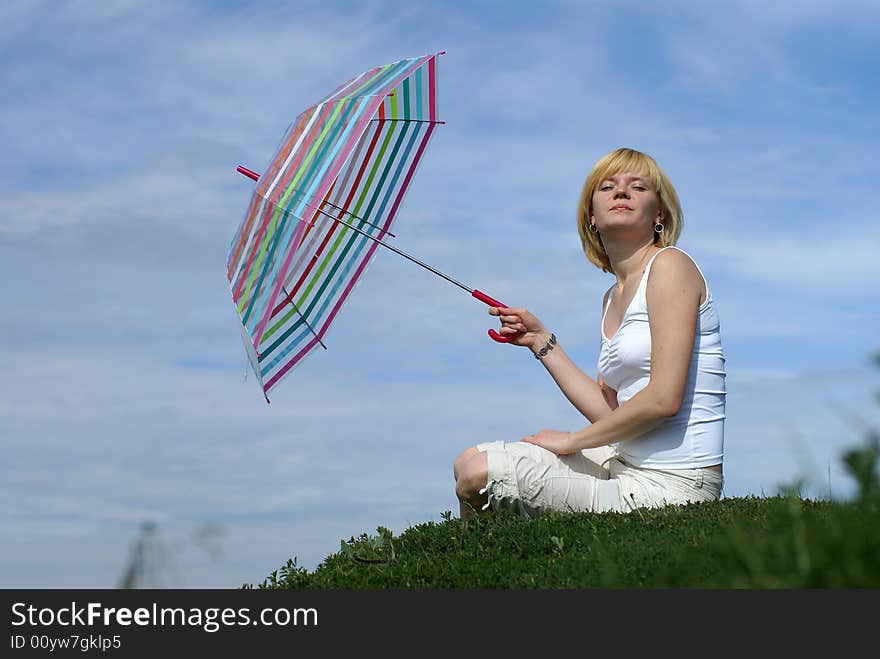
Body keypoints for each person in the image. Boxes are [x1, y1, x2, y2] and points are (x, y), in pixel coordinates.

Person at [453, 147, 726, 518]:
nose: (621, 192)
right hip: (625, 461)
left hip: (676, 483)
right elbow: (608, 411)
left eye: (638, 187)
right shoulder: (611, 298)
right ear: (592, 217)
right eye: (608, 186)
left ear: (658, 213)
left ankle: (486, 565)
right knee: (467, 460)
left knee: (478, 475)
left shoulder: (670, 266)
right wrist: (540, 341)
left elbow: (664, 400)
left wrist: (571, 442)